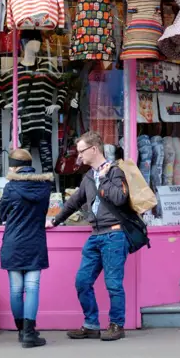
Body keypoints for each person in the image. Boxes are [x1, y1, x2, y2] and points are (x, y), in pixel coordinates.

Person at [46, 131, 130, 341]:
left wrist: (104, 180)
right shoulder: (87, 177)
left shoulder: (115, 172)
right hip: (96, 235)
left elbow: (120, 198)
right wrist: (55, 220)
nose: (79, 157)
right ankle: (91, 324)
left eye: (82, 151)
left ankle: (117, 325)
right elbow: (74, 201)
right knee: (82, 281)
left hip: (114, 234)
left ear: (94, 149)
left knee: (113, 284)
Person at [0, 149, 53, 348]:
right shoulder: (45, 186)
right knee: (32, 288)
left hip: (13, 242)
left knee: (16, 289)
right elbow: (44, 211)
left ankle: (21, 331)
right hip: (35, 241)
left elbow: (2, 215)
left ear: (14, 166)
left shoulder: (11, 188)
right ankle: (30, 333)